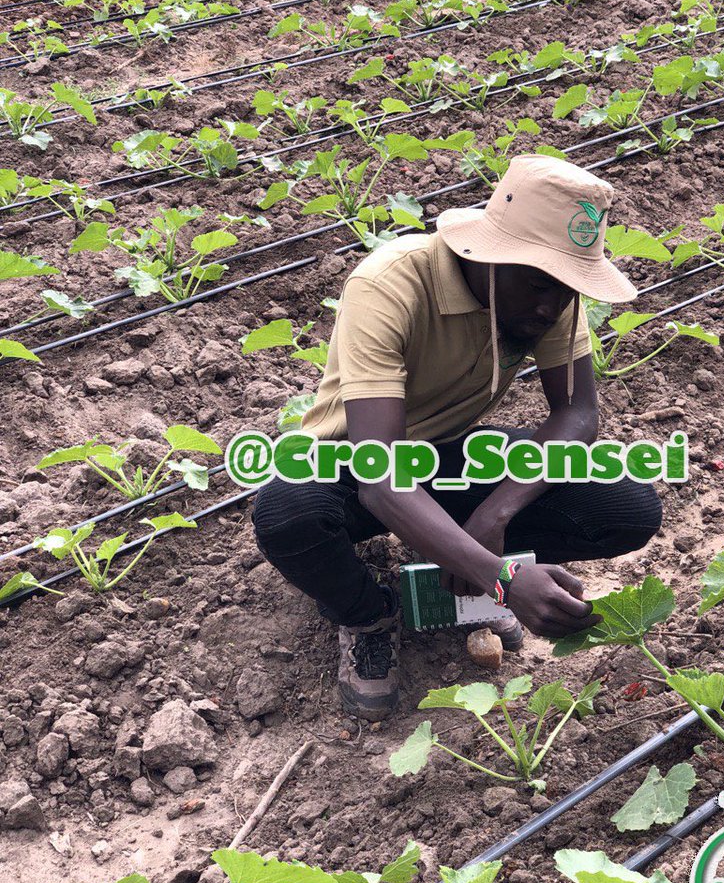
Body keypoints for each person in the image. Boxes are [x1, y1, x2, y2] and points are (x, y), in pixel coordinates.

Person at [252, 154, 662, 719]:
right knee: (287, 512)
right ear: (490, 254)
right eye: (538, 283)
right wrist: (502, 576)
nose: (551, 305)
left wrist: (494, 516)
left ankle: (462, 564)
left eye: (567, 287)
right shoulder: (392, 283)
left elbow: (577, 413)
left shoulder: (551, 298)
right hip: (354, 462)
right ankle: (370, 614)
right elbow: (379, 473)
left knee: (625, 504)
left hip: (447, 457)